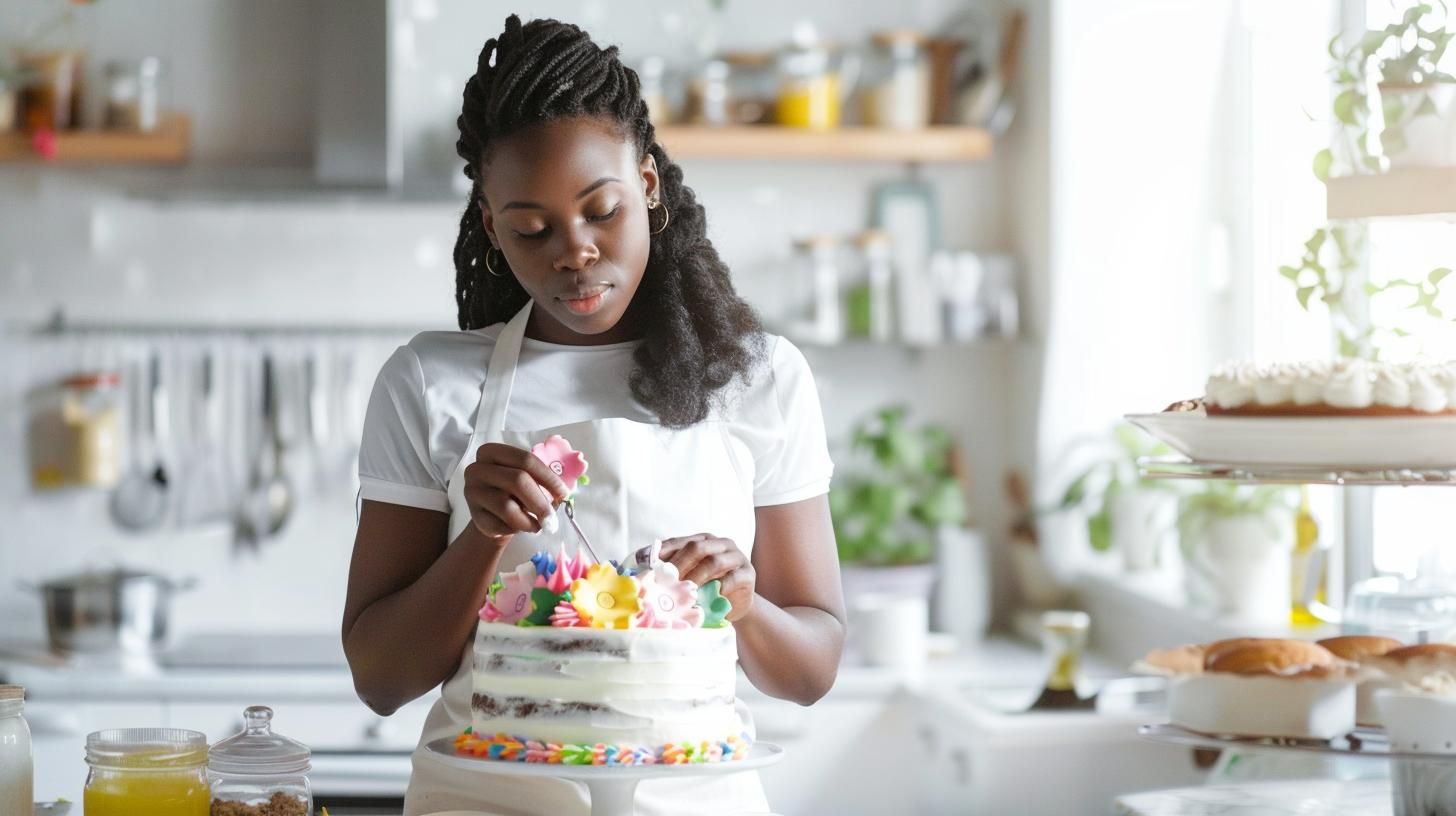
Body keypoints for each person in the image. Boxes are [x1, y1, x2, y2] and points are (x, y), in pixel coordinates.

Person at [342, 15, 846, 816]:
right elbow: (381, 679)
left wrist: (743, 602)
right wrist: (485, 534)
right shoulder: (430, 382)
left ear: (648, 184)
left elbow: (813, 672)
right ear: (490, 227)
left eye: (601, 210)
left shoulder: (758, 378)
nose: (572, 251)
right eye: (530, 229)